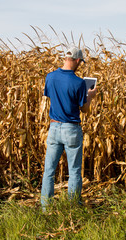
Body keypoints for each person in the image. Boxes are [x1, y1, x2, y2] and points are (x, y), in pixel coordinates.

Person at [40, 47, 97, 209]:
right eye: (81, 62)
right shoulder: (79, 83)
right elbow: (84, 109)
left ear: (65, 58)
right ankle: (73, 207)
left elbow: (53, 97)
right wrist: (90, 97)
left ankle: (45, 208)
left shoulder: (50, 77)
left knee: (49, 171)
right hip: (71, 129)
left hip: (54, 128)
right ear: (77, 61)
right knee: (74, 171)